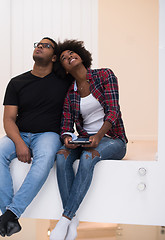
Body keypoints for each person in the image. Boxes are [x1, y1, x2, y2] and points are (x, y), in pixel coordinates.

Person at [0, 37, 71, 237]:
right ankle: (10, 215)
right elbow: (9, 119)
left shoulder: (65, 82)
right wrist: (19, 143)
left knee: (44, 159)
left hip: (48, 135)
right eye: (38, 44)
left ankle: (10, 214)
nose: (40, 46)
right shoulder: (17, 82)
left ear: (53, 58)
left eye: (46, 45)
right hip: (21, 133)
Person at [50, 39, 128, 240]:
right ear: (65, 69)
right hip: (85, 139)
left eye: (71, 53)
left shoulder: (104, 75)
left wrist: (98, 136)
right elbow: (66, 126)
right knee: (61, 156)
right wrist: (67, 138)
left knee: (87, 157)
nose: (69, 57)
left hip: (113, 139)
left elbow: (113, 110)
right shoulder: (70, 94)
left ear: (81, 55)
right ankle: (73, 219)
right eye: (64, 59)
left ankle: (66, 219)